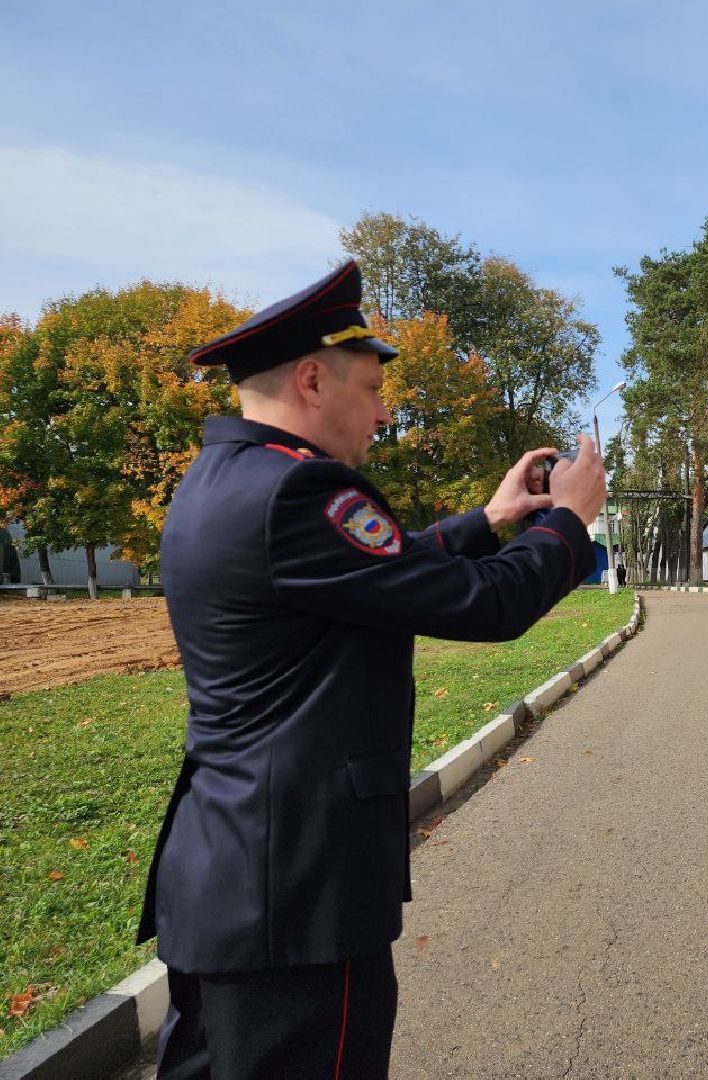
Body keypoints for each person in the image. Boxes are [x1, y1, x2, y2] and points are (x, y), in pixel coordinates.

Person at [137, 260, 605, 1079]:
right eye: (371, 389)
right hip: (299, 901)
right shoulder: (301, 492)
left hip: (235, 882)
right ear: (312, 380)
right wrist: (570, 520)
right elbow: (484, 606)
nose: (384, 414)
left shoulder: (223, 481)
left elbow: (373, 575)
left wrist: (491, 518)